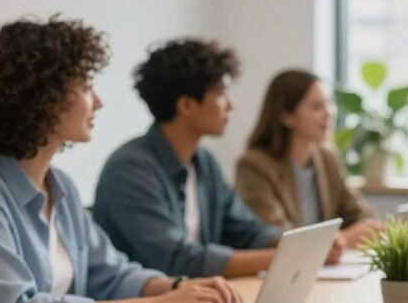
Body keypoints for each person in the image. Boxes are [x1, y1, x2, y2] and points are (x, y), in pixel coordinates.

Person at [0, 16, 242, 303]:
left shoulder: (60, 186)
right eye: (84, 86)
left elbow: (111, 275)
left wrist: (181, 288)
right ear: (42, 96)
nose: (98, 102)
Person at [93, 40, 342, 279]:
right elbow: (177, 259)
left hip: (195, 302)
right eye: (221, 93)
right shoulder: (129, 169)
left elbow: (247, 230)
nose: (231, 105)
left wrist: (305, 244)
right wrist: (287, 257)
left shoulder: (203, 162)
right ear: (187, 105)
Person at [235, 69, 381, 248]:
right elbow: (275, 237)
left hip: (327, 268)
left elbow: (360, 215)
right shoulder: (254, 166)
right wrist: (343, 239)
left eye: (329, 104)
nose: (329, 113)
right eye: (317, 107)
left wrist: (367, 228)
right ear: (287, 117)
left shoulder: (328, 157)